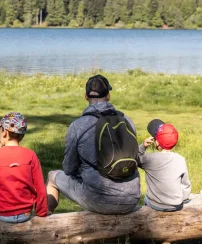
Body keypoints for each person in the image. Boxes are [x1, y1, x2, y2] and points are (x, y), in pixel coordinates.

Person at [47, 74, 140, 214]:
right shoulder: (127, 121)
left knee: (52, 176)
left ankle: (46, 221)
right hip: (132, 198)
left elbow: (68, 168)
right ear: (108, 96)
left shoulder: (78, 126)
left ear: (86, 96)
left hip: (99, 200)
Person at [0, 112, 48, 222]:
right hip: (25, 214)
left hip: (1, 213)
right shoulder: (31, 155)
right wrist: (42, 212)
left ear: (4, 132)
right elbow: (40, 187)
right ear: (22, 136)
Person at [138, 119, 191, 211]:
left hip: (155, 204)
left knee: (146, 198)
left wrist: (143, 146)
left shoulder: (149, 159)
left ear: (157, 142)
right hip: (176, 205)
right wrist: (184, 199)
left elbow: (135, 158)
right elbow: (185, 185)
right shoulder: (180, 159)